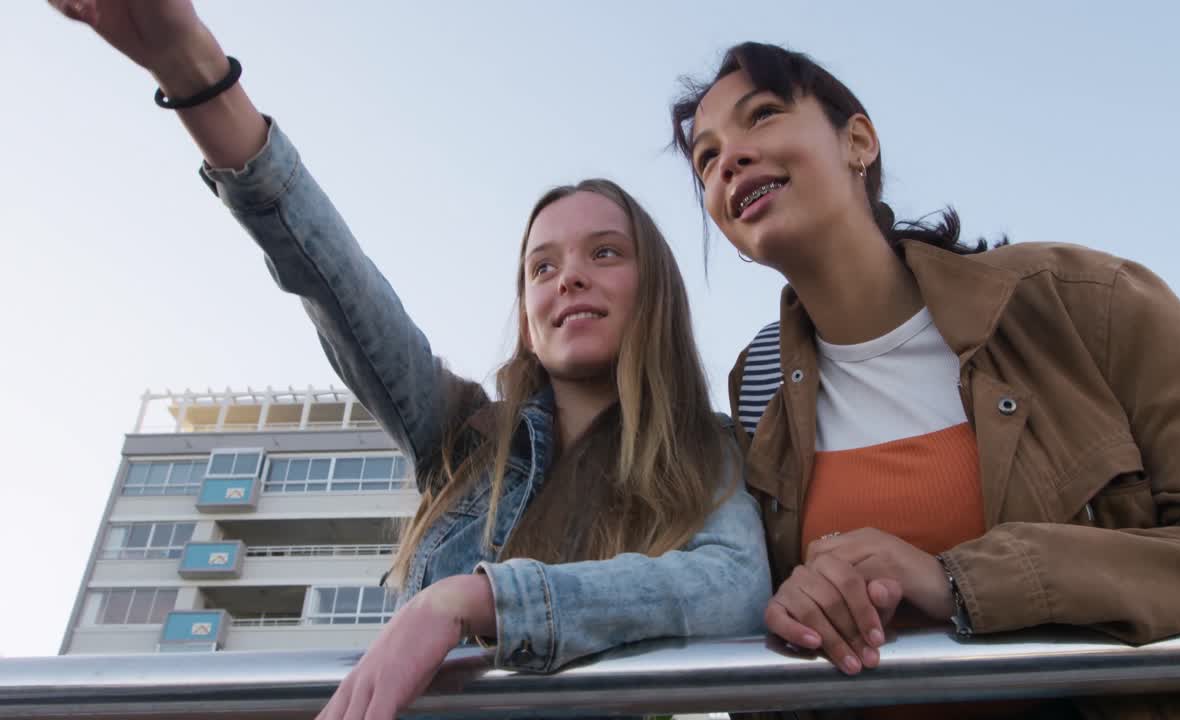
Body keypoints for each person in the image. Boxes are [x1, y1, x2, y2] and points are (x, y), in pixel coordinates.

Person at [50, 3, 772, 719]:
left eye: (604, 253)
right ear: (526, 317)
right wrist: (194, 71)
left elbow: (732, 589)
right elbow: (332, 280)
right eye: (541, 268)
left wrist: (473, 600)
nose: (569, 278)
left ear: (656, 289)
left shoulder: (709, 451)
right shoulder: (461, 436)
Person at [671, 41, 1180, 719]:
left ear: (859, 141)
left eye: (763, 115)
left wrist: (957, 581)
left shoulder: (1082, 301)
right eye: (706, 157)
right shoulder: (757, 393)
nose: (729, 159)